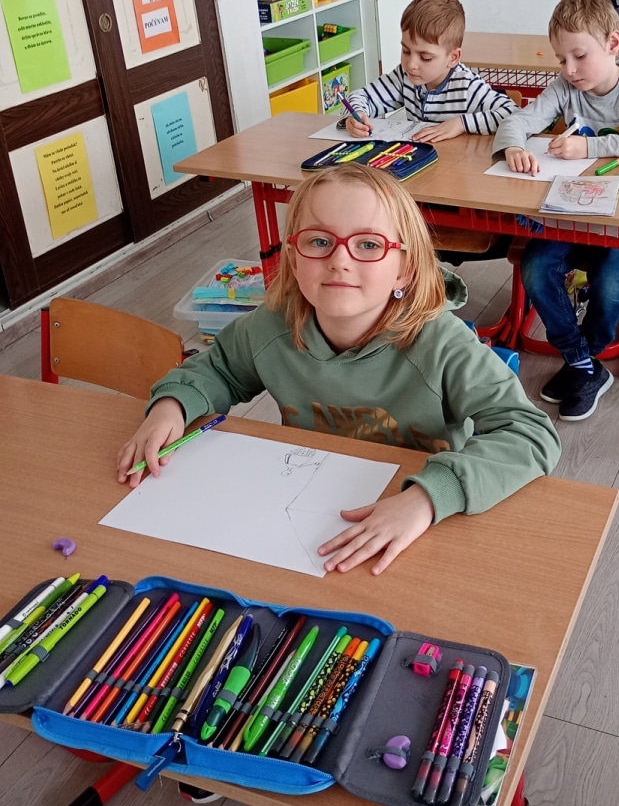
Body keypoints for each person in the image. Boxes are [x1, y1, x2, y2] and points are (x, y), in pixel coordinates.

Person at [117, 163, 560, 574]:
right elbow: (217, 370)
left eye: (368, 244)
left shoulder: (443, 344)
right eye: (318, 241)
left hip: (415, 519)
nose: (340, 260)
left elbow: (530, 434)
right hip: (304, 509)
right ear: (294, 258)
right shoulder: (269, 327)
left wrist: (429, 497)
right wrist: (173, 406)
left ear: (404, 269)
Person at [492, 0, 619, 421]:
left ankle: (584, 360)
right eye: (561, 59)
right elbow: (517, 120)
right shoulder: (563, 88)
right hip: (570, 214)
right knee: (536, 266)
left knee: (610, 283)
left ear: (612, 44)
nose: (569, 70)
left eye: (579, 56)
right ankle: (582, 364)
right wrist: (513, 147)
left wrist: (590, 146)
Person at [343, 0, 514, 141]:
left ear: (453, 58)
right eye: (406, 51)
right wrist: (356, 116)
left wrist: (460, 124)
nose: (411, 64)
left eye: (425, 57)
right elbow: (360, 97)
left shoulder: (467, 86)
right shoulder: (404, 76)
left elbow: (512, 114)